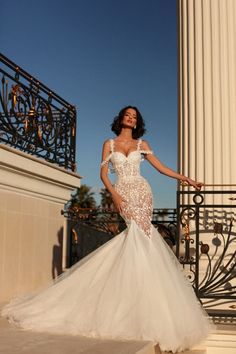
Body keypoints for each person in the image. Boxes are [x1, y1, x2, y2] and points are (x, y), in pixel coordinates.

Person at [2, 106, 211, 353]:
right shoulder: (109, 144)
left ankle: (144, 301)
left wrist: (185, 179)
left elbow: (160, 168)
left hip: (142, 192)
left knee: (143, 237)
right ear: (121, 118)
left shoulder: (142, 144)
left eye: (135, 117)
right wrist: (115, 196)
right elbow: (103, 174)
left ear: (137, 122)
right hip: (122, 191)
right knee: (135, 236)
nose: (131, 119)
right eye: (128, 115)